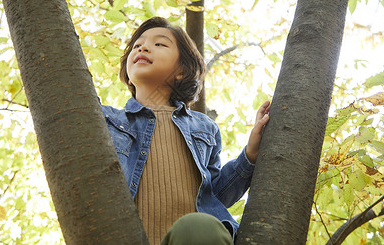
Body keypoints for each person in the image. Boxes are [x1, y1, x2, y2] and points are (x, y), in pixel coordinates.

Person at [101, 17, 270, 245]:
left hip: (196, 238)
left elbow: (215, 195)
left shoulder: (203, 128)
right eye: (136, 45)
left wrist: (250, 154)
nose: (142, 47)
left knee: (199, 227)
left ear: (182, 70)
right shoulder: (105, 120)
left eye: (159, 44)